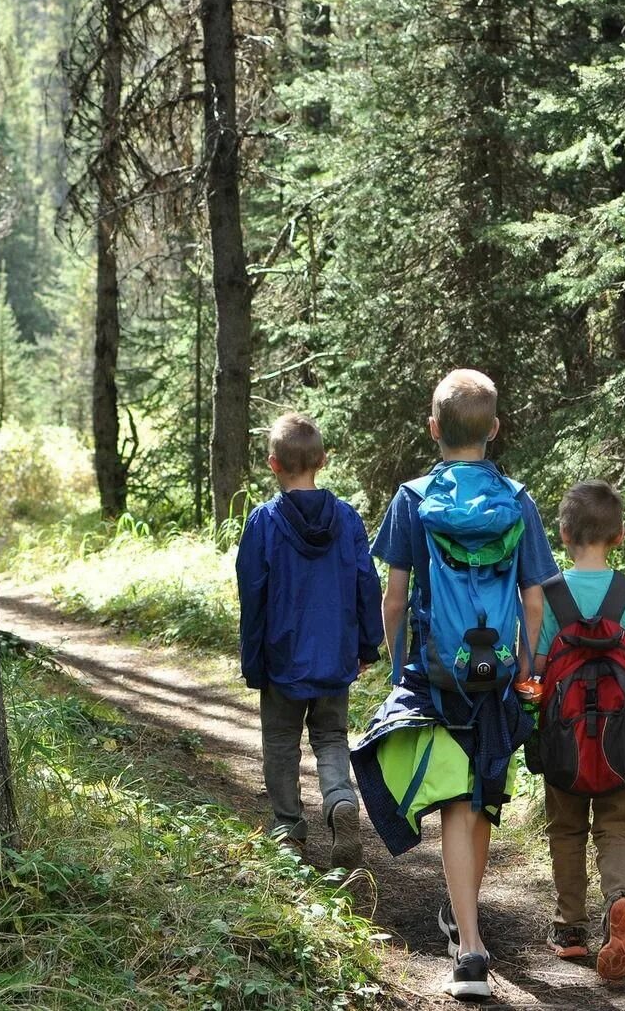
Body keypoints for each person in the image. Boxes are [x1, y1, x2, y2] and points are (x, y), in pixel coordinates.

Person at [352, 369, 559, 1001]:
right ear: (495, 429)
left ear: (434, 427)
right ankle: (465, 920)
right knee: (481, 793)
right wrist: (525, 667)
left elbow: (394, 596)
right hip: (496, 673)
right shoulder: (518, 499)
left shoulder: (412, 499)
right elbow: (534, 600)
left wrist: (396, 668)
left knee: (453, 799)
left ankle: (468, 946)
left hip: (437, 671)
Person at [534, 479, 625, 981]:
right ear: (621, 536)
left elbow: (537, 665)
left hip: (563, 739)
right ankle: (621, 899)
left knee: (565, 829)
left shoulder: (549, 594)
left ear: (564, 533)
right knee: (619, 827)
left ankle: (570, 930)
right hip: (622, 739)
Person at [236, 413, 383, 869]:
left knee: (281, 741)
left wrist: (254, 657)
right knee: (331, 736)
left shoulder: (263, 522)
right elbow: (366, 583)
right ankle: (340, 799)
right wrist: (366, 646)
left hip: (283, 656)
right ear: (322, 459)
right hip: (334, 653)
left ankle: (289, 830)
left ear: (273, 463)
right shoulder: (346, 519)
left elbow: (252, 592)